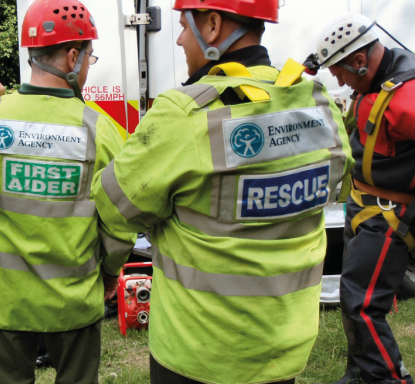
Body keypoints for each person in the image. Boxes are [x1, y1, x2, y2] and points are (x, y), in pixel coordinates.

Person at [91, 0, 354, 383]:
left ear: (212, 25)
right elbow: (338, 184)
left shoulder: (186, 113)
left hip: (198, 355)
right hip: (284, 351)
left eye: (184, 25)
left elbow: (115, 206)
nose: (180, 40)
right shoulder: (315, 101)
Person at [0, 1, 135, 383]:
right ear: (73, 57)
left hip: (4, 302)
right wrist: (110, 273)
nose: (89, 65)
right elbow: (119, 222)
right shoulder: (100, 131)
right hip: (71, 303)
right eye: (90, 55)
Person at [306, 13, 415, 384]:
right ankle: (360, 373)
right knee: (352, 297)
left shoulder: (412, 94)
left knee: (362, 304)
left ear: (360, 61)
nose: (337, 80)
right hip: (367, 209)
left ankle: (387, 379)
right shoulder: (377, 80)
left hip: (391, 215)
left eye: (339, 71)